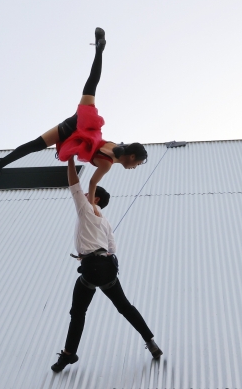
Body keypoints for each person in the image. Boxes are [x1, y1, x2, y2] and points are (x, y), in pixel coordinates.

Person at [0, 27, 148, 216]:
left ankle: (99, 50)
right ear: (132, 157)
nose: (134, 168)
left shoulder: (115, 146)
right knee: (35, 145)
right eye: (137, 164)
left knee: (91, 85)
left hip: (79, 122)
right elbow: (92, 183)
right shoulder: (107, 164)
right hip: (75, 132)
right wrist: (91, 206)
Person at [51, 156, 162, 373]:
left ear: (96, 198)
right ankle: (151, 342)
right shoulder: (105, 221)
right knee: (125, 307)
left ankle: (68, 354)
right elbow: (112, 248)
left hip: (92, 268)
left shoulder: (86, 207)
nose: (82, 196)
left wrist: (71, 159)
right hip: (108, 269)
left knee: (78, 312)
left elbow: (74, 184)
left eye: (88, 195)